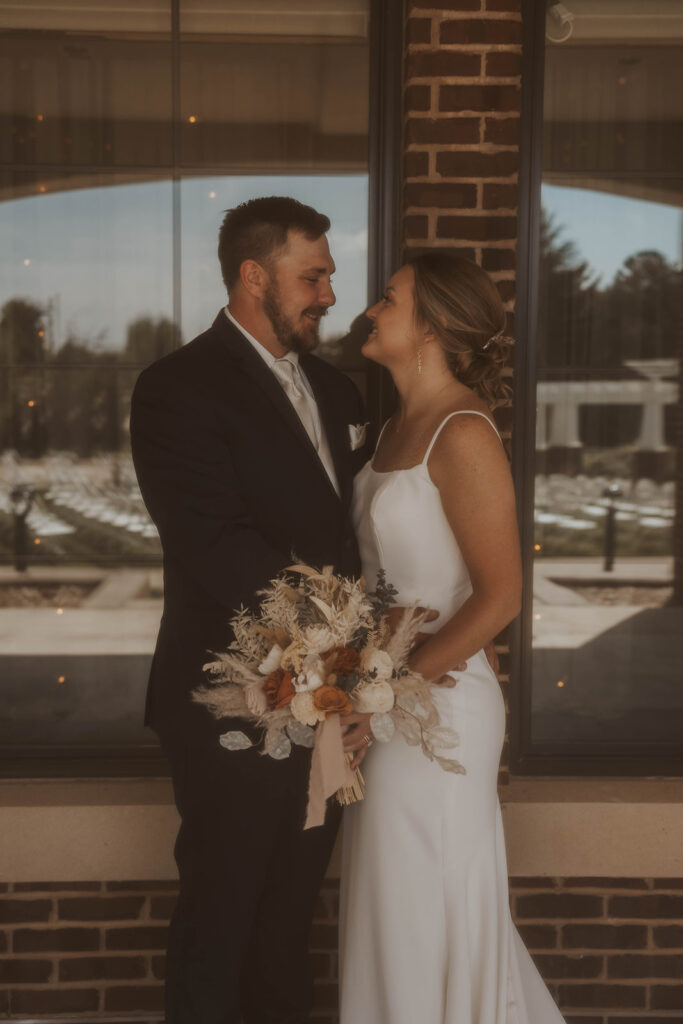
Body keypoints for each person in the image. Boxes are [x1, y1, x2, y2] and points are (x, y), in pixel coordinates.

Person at [130, 196, 373, 1024]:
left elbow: (351, 532)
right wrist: (342, 644)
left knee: (287, 922)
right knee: (222, 917)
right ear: (252, 274)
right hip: (226, 700)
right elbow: (216, 544)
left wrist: (351, 674)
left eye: (330, 277)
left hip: (325, 704)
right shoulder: (177, 389)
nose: (330, 295)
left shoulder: (336, 389)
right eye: (315, 276)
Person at [338, 253, 566, 1023]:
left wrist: (380, 696)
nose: (371, 310)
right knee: (390, 904)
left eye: (387, 299)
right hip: (383, 698)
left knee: (424, 900)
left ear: (430, 324)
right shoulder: (390, 429)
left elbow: (499, 595)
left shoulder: (462, 430)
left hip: (436, 711)